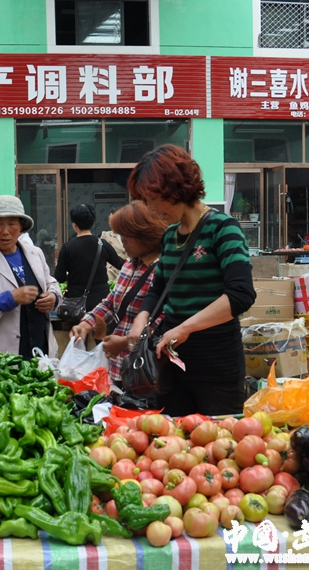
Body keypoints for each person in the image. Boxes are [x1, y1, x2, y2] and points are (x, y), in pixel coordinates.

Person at [125, 144, 256, 417]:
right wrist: (141, 319)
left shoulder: (223, 229)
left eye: (152, 199)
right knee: (172, 436)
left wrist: (185, 328)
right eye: (145, 201)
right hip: (170, 366)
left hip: (217, 365)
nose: (150, 209)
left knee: (219, 438)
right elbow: (159, 289)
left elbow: (240, 294)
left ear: (175, 188)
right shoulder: (169, 236)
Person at [70, 202, 167, 389]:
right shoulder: (129, 265)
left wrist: (124, 343)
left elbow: (162, 322)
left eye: (126, 237)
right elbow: (111, 302)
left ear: (145, 235)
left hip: (144, 370)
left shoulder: (162, 270)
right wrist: (86, 324)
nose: (122, 242)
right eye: (119, 236)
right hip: (117, 367)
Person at [0, 195, 62, 359]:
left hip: (41, 352)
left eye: (12, 224)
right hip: (0, 358)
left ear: (21, 226)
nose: (5, 231)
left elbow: (51, 283)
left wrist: (53, 297)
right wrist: (8, 299)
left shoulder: (35, 254)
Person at [55, 203, 123, 315]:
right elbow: (122, 265)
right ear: (92, 222)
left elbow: (59, 277)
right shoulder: (103, 244)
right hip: (101, 304)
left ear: (74, 224)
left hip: (76, 304)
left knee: (78, 327)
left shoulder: (67, 247)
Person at [100, 207, 129, 282]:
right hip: (111, 272)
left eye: (112, 220)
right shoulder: (105, 235)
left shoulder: (131, 235)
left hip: (128, 270)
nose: (110, 223)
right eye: (109, 220)